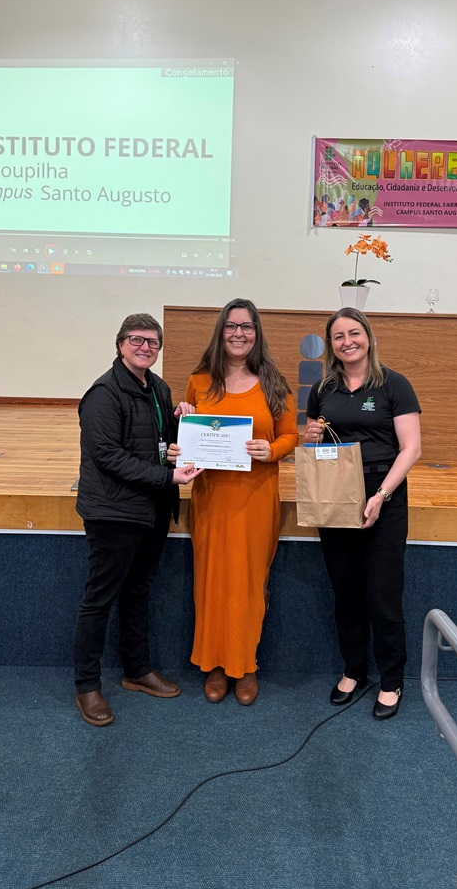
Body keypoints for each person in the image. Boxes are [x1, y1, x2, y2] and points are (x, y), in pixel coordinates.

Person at [73, 314, 202, 727]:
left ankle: (136, 669)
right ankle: (87, 685)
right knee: (100, 599)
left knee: (138, 591)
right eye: (137, 340)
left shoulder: (158, 388)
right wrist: (168, 477)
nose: (145, 347)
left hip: (151, 508)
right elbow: (108, 456)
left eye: (152, 342)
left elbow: (161, 444)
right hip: (114, 512)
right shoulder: (103, 394)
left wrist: (183, 420)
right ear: (120, 344)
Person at [305, 308, 421, 722]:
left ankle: (391, 679)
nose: (347, 342)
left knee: (383, 596)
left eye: (354, 333)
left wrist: (381, 495)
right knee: (346, 592)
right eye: (338, 336)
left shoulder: (393, 384)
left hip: (382, 496)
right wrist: (310, 437)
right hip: (336, 496)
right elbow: (315, 446)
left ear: (369, 337)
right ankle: (353, 669)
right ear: (330, 344)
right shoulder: (323, 388)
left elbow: (411, 448)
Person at [185, 299, 299, 705]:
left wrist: (273, 450)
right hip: (211, 496)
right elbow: (189, 432)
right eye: (231, 326)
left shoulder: (274, 383)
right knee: (211, 581)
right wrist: (182, 430)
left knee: (250, 583)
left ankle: (244, 664)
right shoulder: (199, 381)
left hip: (256, 496)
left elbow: (290, 434)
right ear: (220, 332)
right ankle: (215, 663)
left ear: (256, 333)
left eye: (246, 326)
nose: (238, 333)